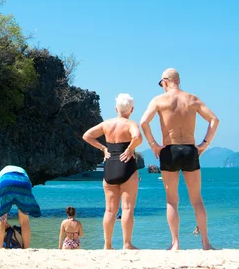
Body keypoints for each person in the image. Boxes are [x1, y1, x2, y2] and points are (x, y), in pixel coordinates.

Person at [139, 68, 219, 250]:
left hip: (169, 150)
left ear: (166, 81)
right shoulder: (192, 99)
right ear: (179, 80)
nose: (161, 87)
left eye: (161, 83)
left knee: (171, 200)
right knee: (197, 199)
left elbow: (143, 122)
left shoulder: (159, 100)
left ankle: (175, 243)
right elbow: (214, 120)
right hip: (191, 150)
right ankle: (206, 243)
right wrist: (204, 144)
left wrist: (153, 144)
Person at [83, 93, 142, 250]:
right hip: (127, 165)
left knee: (109, 210)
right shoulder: (131, 124)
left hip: (109, 165)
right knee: (128, 208)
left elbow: (87, 136)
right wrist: (130, 149)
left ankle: (107, 245)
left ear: (116, 108)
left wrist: (103, 148)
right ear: (132, 109)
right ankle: (127, 244)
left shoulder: (107, 124)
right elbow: (138, 137)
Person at [0, 165, 41, 249]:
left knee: (1, 219)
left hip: (6, 181)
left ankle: (0, 248)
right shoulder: (23, 173)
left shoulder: (0, 177)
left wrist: (4, 221)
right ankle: (26, 248)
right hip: (24, 182)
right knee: (24, 221)